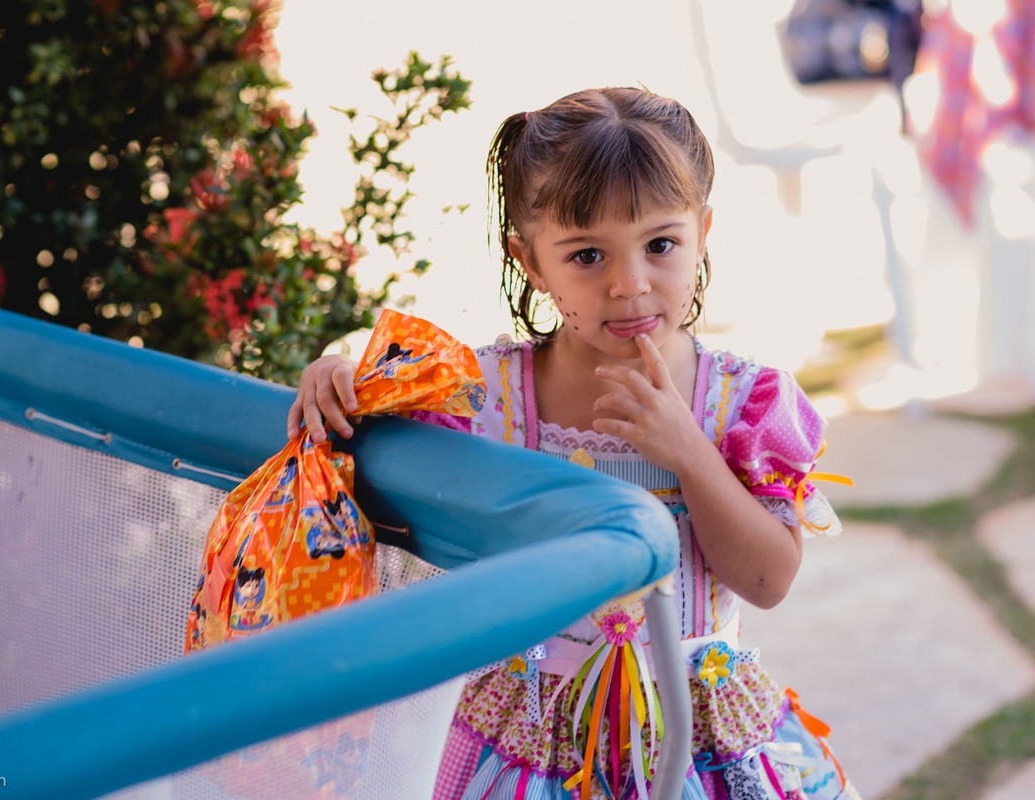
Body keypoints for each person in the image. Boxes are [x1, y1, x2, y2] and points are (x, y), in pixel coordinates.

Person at [286, 87, 857, 800]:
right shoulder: (482, 395)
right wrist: (336, 378)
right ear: (529, 262)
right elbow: (378, 476)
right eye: (587, 255)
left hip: (693, 739)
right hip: (529, 737)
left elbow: (769, 581)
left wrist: (689, 450)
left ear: (703, 232)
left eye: (661, 244)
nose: (629, 284)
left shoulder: (740, 403)